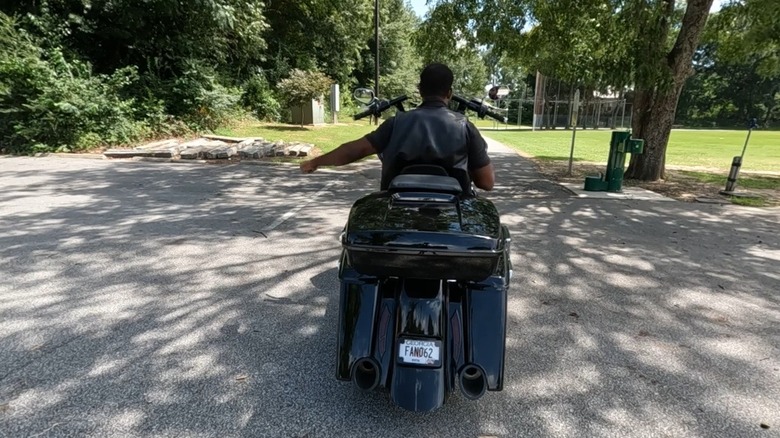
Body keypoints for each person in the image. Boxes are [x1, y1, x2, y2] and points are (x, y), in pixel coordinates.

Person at [299, 63, 495, 192]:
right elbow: (486, 183)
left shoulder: (396, 123)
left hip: (397, 208)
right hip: (453, 212)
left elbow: (355, 150)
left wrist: (316, 162)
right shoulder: (465, 127)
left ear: (420, 90)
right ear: (449, 93)